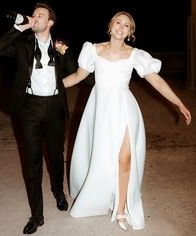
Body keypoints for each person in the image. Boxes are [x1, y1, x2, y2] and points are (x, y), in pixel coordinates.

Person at [62, 11, 191, 231]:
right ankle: (102, 197)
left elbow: (157, 82)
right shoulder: (93, 50)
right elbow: (77, 77)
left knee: (125, 158)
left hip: (125, 109)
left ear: (130, 33)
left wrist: (179, 103)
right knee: (101, 157)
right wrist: (44, 90)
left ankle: (121, 209)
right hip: (100, 109)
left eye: (127, 25)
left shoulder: (135, 55)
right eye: (118, 22)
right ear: (110, 26)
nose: (121, 27)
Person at [0, 2, 78, 234]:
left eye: (40, 15)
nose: (35, 17)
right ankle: (37, 215)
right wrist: (20, 27)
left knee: (55, 154)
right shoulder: (22, 43)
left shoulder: (61, 45)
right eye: (34, 14)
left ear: (50, 22)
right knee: (32, 161)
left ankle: (58, 192)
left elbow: (77, 71)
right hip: (30, 107)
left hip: (54, 106)